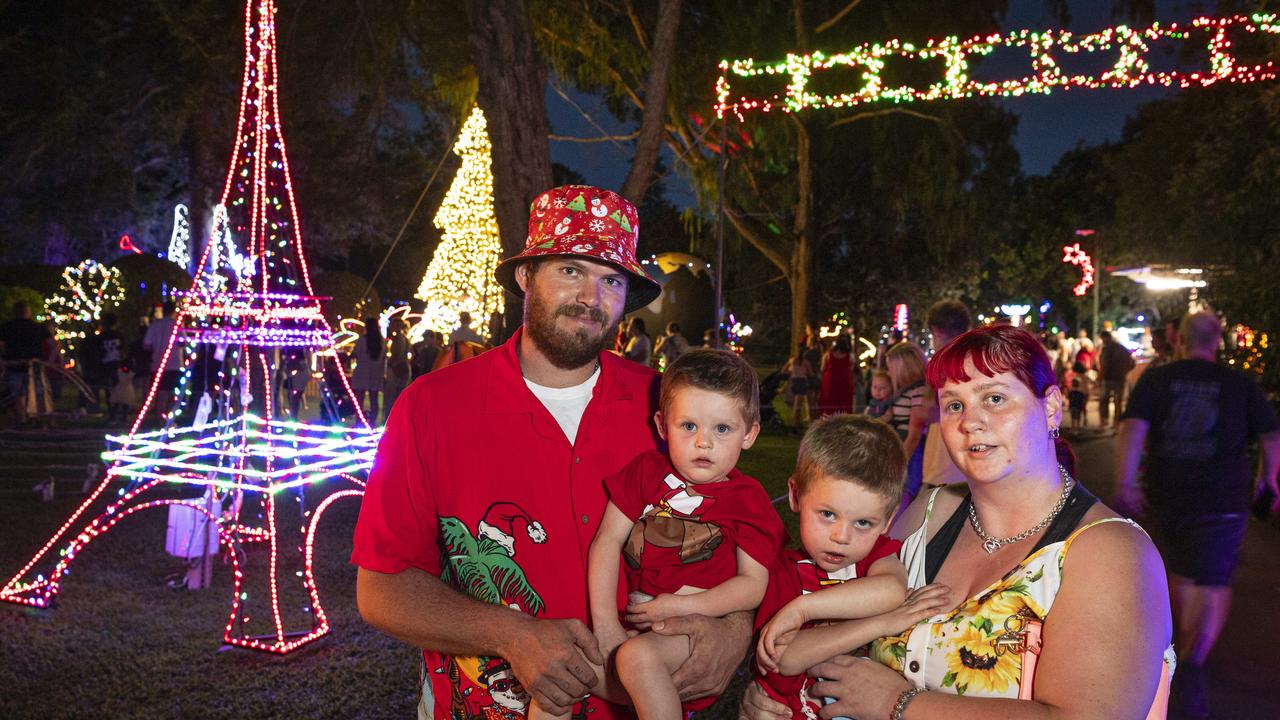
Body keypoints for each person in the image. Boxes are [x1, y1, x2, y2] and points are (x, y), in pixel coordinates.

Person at [352, 185, 751, 720]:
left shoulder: (669, 404)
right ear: (525, 276)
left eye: (610, 279)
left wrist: (733, 630)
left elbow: (736, 533)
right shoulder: (430, 407)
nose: (591, 295)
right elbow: (381, 586)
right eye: (570, 270)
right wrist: (511, 634)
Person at [740, 323, 1173, 720]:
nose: (971, 422)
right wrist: (779, 697)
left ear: (1052, 407)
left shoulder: (1110, 553)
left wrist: (899, 703)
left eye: (995, 398)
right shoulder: (930, 514)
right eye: (953, 405)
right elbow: (831, 623)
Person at [551, 349, 783, 720]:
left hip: (688, 632)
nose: (703, 442)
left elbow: (753, 585)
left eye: (722, 429)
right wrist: (607, 625)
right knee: (558, 676)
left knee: (636, 657)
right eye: (688, 426)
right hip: (632, 628)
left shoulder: (748, 501)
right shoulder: (645, 473)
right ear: (663, 426)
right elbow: (607, 542)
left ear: (749, 434)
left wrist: (679, 607)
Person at [1115, 311, 1280, 718]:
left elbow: (1133, 430)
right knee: (1216, 576)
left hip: (1169, 492)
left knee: (1181, 572)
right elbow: (1271, 435)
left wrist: (1125, 482)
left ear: (1178, 339)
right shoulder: (1240, 384)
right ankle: (1196, 656)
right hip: (1225, 496)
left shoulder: (1157, 379)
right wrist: (1268, 479)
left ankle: (1180, 650)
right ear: (1217, 340)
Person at [752, 415, 907, 716]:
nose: (841, 537)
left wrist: (803, 609)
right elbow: (784, 658)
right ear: (796, 496)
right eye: (827, 514)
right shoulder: (783, 572)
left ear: (888, 521)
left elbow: (892, 590)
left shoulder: (877, 558)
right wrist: (880, 623)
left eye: (863, 522)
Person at [920, 300, 971, 488]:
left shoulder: (941, 363)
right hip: (969, 461)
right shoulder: (975, 360)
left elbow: (930, 411)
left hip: (943, 461)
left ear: (937, 331)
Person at [885, 342, 928, 509]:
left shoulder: (919, 392)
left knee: (904, 494)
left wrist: (900, 461)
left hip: (910, 450)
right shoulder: (911, 391)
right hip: (902, 446)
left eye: (891, 369)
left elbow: (914, 434)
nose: (889, 373)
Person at [0, 300, 52, 423]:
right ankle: (36, 418)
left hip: (14, 364)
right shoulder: (38, 327)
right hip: (34, 365)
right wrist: (48, 360)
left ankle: (23, 419)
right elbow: (52, 343)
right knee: (36, 392)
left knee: (19, 394)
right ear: (28, 311)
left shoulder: (7, 327)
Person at [142, 301, 182, 419]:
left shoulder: (155, 325)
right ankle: (168, 418)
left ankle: (159, 418)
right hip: (174, 364)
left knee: (160, 394)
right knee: (173, 394)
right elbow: (183, 342)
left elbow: (146, 345)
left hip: (158, 363)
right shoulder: (176, 324)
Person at [350, 318, 386, 423]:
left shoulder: (363, 339)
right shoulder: (382, 341)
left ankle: (359, 421)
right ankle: (372, 422)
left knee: (360, 399)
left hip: (362, 370)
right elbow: (383, 357)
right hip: (376, 372)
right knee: (373, 399)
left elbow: (356, 353)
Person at [1096, 330, 1134, 427]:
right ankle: (1116, 422)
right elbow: (1132, 362)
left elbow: (1105, 364)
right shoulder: (1122, 348)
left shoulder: (1107, 348)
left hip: (1108, 378)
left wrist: (1100, 377)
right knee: (1118, 401)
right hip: (1120, 378)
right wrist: (1125, 371)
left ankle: (1104, 421)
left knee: (1104, 399)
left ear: (1105, 337)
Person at [817, 334, 856, 417]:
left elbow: (822, 368)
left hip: (830, 381)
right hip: (844, 382)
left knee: (828, 401)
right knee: (843, 402)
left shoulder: (828, 355)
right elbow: (851, 369)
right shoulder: (850, 356)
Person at [384, 319, 411, 422]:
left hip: (396, 370)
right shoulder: (404, 338)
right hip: (403, 369)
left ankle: (391, 420)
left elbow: (397, 355)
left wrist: (391, 363)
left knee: (392, 398)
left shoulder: (398, 339)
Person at [783, 342, 814, 431]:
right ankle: (795, 425)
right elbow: (810, 373)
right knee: (798, 405)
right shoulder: (806, 362)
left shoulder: (792, 360)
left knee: (796, 404)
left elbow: (783, 371)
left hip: (794, 381)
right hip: (802, 382)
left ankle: (797, 422)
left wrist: (792, 372)